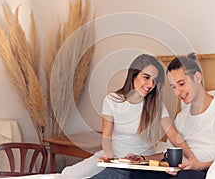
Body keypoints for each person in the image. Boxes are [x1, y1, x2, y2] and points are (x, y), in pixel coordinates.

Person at [90, 53, 215, 179]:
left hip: (197, 172)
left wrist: (197, 164)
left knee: (186, 176)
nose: (177, 93)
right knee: (124, 174)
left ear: (197, 78)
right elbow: (168, 155)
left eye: (181, 84)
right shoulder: (182, 116)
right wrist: (142, 160)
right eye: (173, 87)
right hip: (173, 170)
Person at [62, 54, 195, 179]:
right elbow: (106, 137)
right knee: (69, 175)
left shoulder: (156, 106)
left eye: (154, 81)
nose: (150, 85)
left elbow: (173, 135)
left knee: (116, 175)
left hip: (140, 162)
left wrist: (191, 157)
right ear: (134, 74)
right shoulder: (112, 100)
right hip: (114, 158)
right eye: (146, 77)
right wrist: (108, 154)